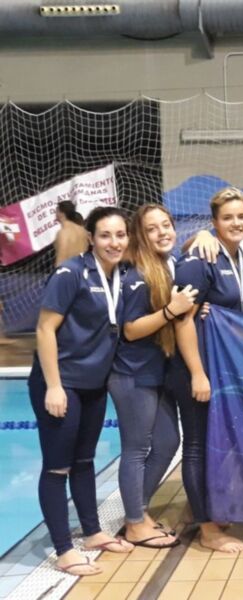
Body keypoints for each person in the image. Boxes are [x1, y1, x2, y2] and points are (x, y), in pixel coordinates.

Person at [29, 206, 134, 576]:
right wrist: (54, 386)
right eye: (105, 235)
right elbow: (45, 330)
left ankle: (91, 532)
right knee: (58, 467)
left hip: (93, 385)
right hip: (63, 383)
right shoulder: (71, 273)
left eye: (120, 235)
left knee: (85, 461)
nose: (114, 242)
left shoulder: (123, 274)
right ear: (91, 238)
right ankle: (63, 549)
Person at [167, 187, 243, 553]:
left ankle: (211, 511)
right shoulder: (201, 258)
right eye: (228, 217)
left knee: (212, 442)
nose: (236, 223)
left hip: (219, 369)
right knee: (197, 445)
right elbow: (182, 320)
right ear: (214, 222)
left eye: (241, 216)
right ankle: (207, 529)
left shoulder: (239, 257)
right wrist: (197, 373)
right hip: (195, 368)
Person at [108, 205, 198, 549]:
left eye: (166, 225)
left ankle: (138, 511)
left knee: (166, 444)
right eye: (152, 228)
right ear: (141, 236)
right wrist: (170, 310)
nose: (162, 232)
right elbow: (130, 330)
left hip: (154, 374)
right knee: (136, 449)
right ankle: (134, 523)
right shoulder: (138, 276)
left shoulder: (165, 268)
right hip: (131, 375)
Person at [54, 200, 89, 266]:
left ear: (61, 213)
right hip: (83, 269)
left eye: (57, 211)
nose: (55, 213)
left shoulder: (63, 233)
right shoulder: (82, 230)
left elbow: (61, 257)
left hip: (69, 271)